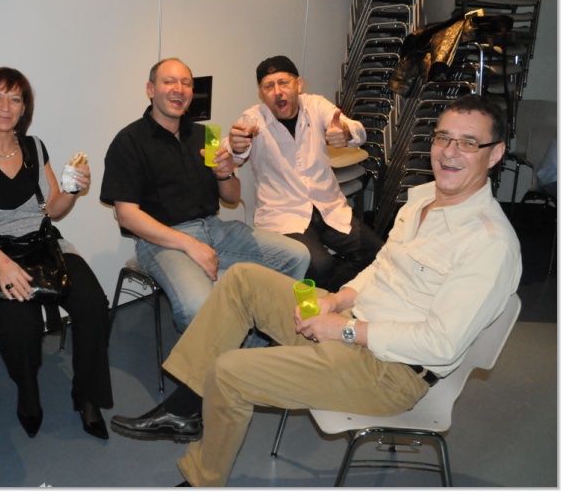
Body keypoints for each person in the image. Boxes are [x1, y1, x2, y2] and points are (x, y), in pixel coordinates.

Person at [110, 94, 521, 486]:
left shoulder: (489, 244)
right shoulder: (422, 200)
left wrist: (345, 330)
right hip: (350, 322)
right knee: (243, 280)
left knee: (229, 372)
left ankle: (203, 480)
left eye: (469, 143)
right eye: (444, 137)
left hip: (387, 371)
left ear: (495, 153)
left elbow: (440, 345)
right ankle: (185, 408)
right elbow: (381, 270)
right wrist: (336, 300)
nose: (450, 152)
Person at [0, 67, 112, 440]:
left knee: (93, 304)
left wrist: (71, 190)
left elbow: (53, 210)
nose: (6, 106)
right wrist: (1, 264)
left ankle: (88, 397)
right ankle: (28, 396)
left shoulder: (35, 147)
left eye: (15, 99)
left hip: (43, 245)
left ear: (24, 108)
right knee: (22, 327)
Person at [100, 57, 310, 331]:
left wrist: (225, 173)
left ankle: (261, 335)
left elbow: (231, 198)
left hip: (215, 229)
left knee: (297, 255)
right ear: (151, 89)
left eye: (186, 83)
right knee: (199, 305)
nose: (179, 89)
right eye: (169, 82)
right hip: (161, 240)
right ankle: (210, 354)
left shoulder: (205, 135)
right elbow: (127, 216)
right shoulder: (129, 141)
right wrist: (189, 244)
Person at [229, 55, 383, 292]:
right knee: (320, 266)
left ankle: (331, 297)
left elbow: (356, 130)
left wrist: (345, 132)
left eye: (284, 83)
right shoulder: (253, 118)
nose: (277, 92)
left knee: (377, 254)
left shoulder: (316, 105)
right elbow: (234, 151)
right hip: (284, 214)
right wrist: (235, 146)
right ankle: (320, 300)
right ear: (261, 93)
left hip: (327, 207)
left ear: (298, 85)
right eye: (269, 86)